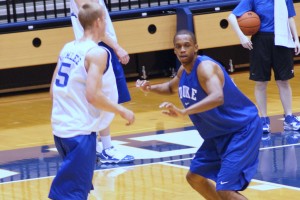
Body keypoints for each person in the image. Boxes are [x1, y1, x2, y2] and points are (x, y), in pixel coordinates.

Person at [136, 30, 262, 200]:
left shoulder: (205, 68)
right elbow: (170, 88)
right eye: (178, 46)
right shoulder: (183, 71)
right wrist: (149, 88)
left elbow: (217, 97)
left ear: (196, 47)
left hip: (241, 130)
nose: (182, 50)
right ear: (174, 50)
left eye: (187, 45)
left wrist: (184, 111)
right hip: (218, 134)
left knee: (225, 189)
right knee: (194, 177)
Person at [49, 2, 135, 199]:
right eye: (105, 19)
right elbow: (93, 96)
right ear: (99, 22)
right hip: (80, 132)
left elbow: (53, 91)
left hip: (60, 130)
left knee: (77, 190)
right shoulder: (97, 52)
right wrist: (121, 110)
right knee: (71, 195)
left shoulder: (67, 47)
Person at [70, 0, 134, 164]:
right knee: (101, 97)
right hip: (97, 47)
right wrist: (117, 47)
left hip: (93, 47)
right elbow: (94, 23)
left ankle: (98, 147)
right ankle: (106, 148)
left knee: (99, 98)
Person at [227, 0, 300, 133]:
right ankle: (264, 119)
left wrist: (296, 39)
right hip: (260, 41)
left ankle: (289, 117)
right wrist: (242, 37)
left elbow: (290, 18)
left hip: (282, 39)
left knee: (284, 81)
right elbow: (231, 17)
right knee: (261, 82)